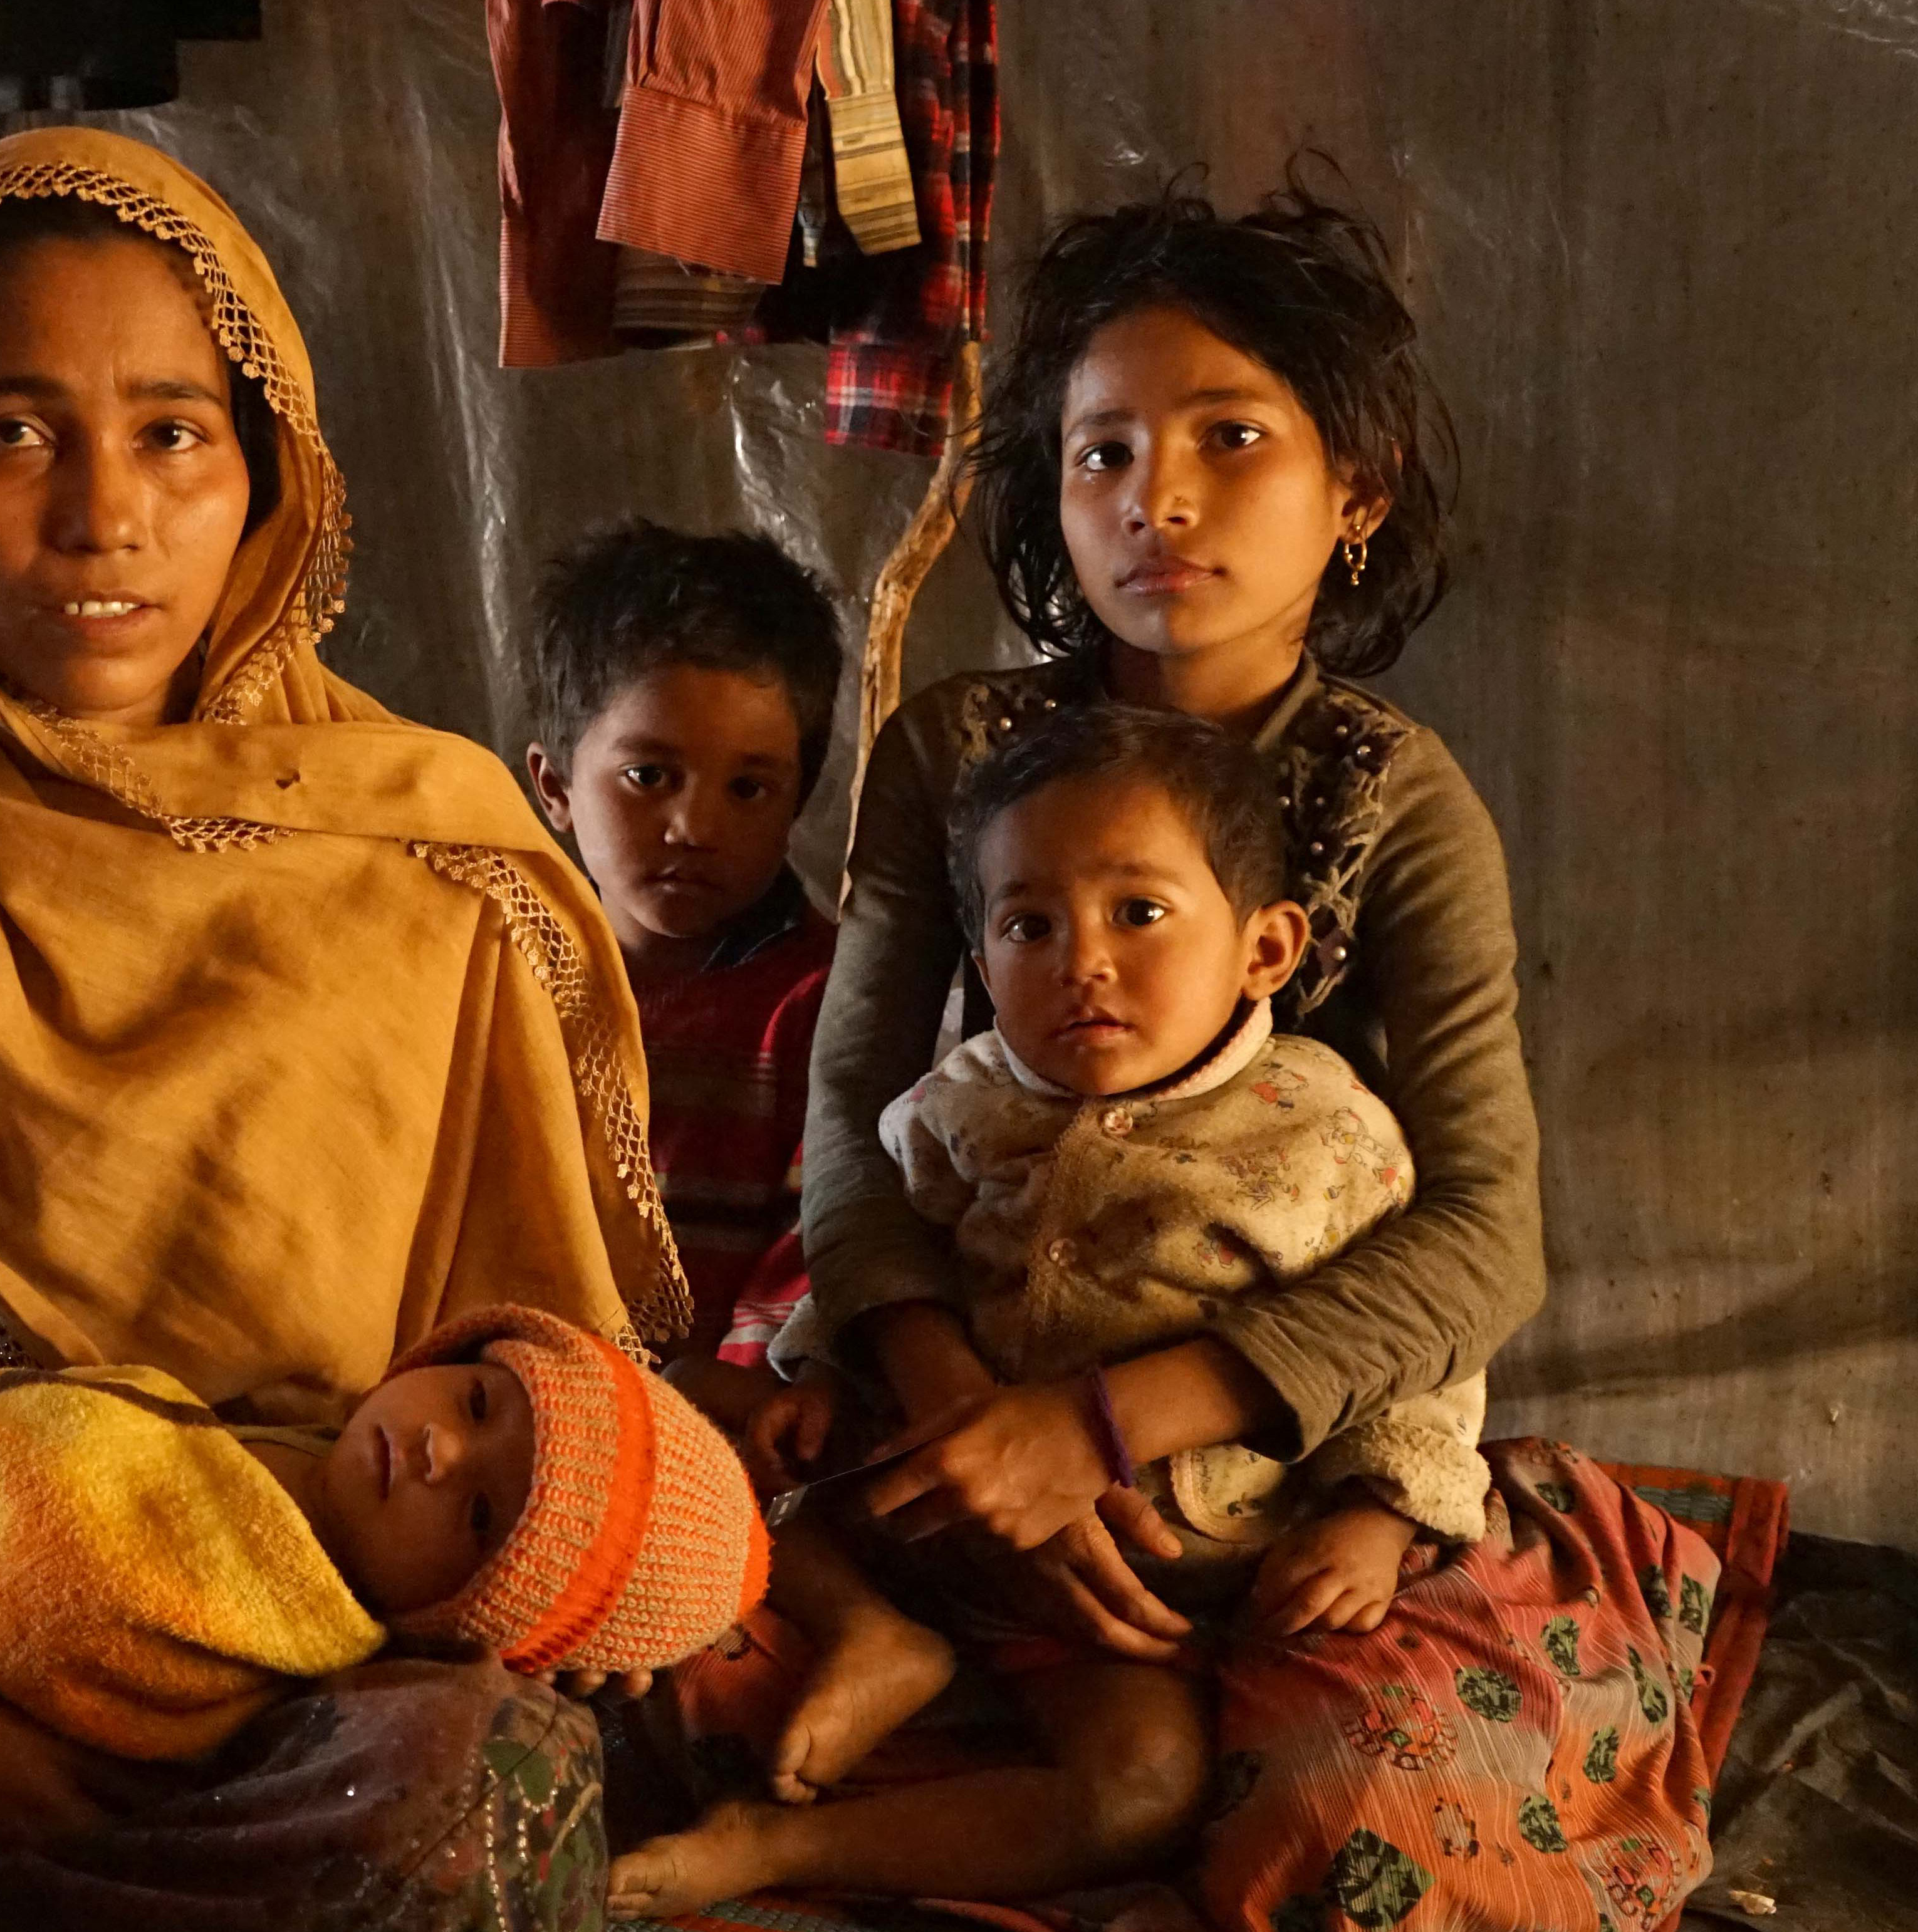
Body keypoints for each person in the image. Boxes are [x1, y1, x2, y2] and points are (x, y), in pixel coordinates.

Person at [0, 127, 680, 1923]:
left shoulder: (429, 836)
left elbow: (548, 1386)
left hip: (338, 1622)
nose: (104, 517)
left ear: (266, 469)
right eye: (12, 432)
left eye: (175, 431)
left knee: (481, 1794)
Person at [783, 172, 1537, 1664]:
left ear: (1359, 492)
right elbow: (850, 1126)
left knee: (1358, 1829)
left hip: (1284, 1453)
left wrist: (1103, 1431)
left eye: (1231, 437)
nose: (1156, 500)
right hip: (969, 1380)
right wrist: (977, 1434)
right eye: (1102, 451)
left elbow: (1486, 1237)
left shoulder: (1399, 803)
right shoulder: (955, 753)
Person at [610, 706, 1489, 1914]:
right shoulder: (956, 1105)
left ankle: (775, 1849)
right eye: (1031, 924)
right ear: (980, 962)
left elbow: (1418, 1356)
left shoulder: (1327, 1137)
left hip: (1129, 1587)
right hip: (921, 1491)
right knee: (682, 1403)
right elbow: (875, 1268)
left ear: (1268, 950)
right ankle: (875, 1634)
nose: (1084, 959)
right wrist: (813, 1380)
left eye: (1140, 913)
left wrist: (1381, 1514)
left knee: (1137, 1792)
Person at [0, 1305, 764, 1763]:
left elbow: (68, 1569)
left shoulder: (271, 1624)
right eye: (481, 1404)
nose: (440, 1451)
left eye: (482, 1517)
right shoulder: (306, 1434)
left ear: (463, 1620)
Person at [518, 521, 843, 1410]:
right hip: (513, 1395)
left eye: (749, 788)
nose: (695, 828)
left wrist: (729, 1391)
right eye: (649, 776)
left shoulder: (817, 1001)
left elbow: (818, 1240)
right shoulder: (500, 977)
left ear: (797, 802)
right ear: (554, 789)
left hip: (722, 1429)